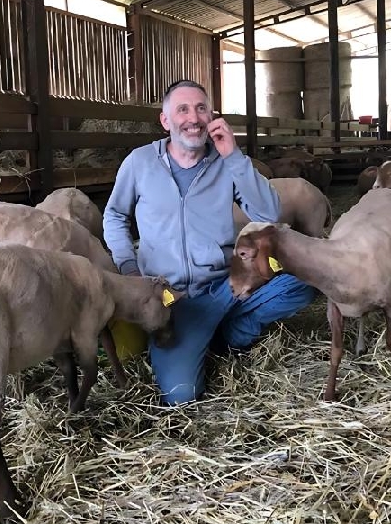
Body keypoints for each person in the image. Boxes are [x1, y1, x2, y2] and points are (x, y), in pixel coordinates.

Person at [103, 80, 316, 405]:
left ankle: (231, 332)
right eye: (183, 109)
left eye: (201, 108)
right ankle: (207, 332)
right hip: (172, 297)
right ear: (166, 121)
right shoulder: (140, 163)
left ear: (212, 116)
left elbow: (268, 211)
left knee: (305, 281)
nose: (193, 117)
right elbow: (115, 216)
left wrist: (234, 156)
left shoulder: (226, 163)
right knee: (180, 395)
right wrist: (130, 268)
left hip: (227, 283)